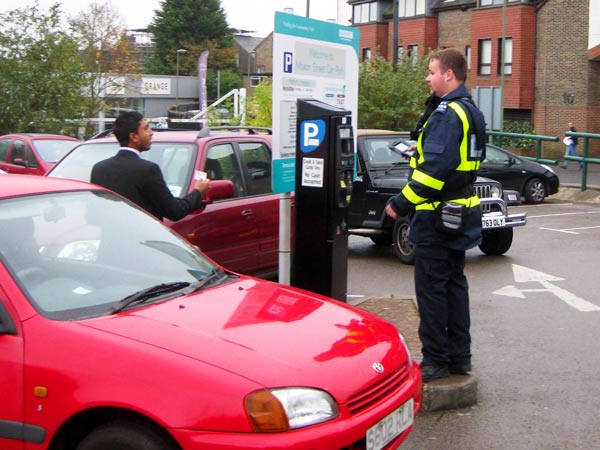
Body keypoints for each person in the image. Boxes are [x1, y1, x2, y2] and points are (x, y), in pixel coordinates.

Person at [385, 48, 486, 383]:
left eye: (431, 72)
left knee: (431, 290)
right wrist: (423, 148)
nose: (427, 78)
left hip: (436, 217)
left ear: (449, 75)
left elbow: (434, 172)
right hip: (460, 212)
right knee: (454, 286)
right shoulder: (470, 110)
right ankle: (460, 358)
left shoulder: (446, 113)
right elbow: (455, 161)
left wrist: (400, 203)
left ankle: (435, 362)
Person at [91, 111, 210, 221]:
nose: (151, 133)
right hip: (143, 240)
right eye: (146, 128)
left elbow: (93, 215)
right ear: (134, 137)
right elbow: (175, 211)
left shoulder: (99, 169)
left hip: (110, 241)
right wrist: (198, 191)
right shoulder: (147, 170)